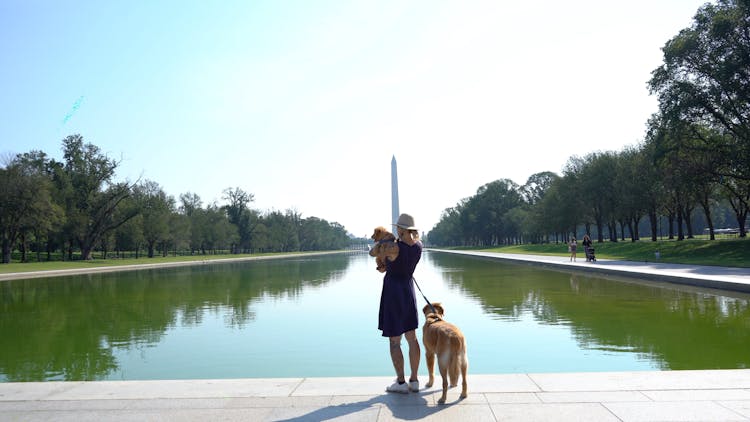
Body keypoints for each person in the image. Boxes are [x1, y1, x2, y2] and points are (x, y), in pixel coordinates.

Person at [376, 213, 423, 394]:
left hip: (393, 293)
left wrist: (383, 252)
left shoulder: (393, 248)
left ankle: (401, 383)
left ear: (402, 230)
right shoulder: (419, 246)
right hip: (408, 290)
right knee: (412, 338)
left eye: (398, 227)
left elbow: (373, 252)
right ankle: (415, 380)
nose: (396, 229)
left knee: (395, 341)